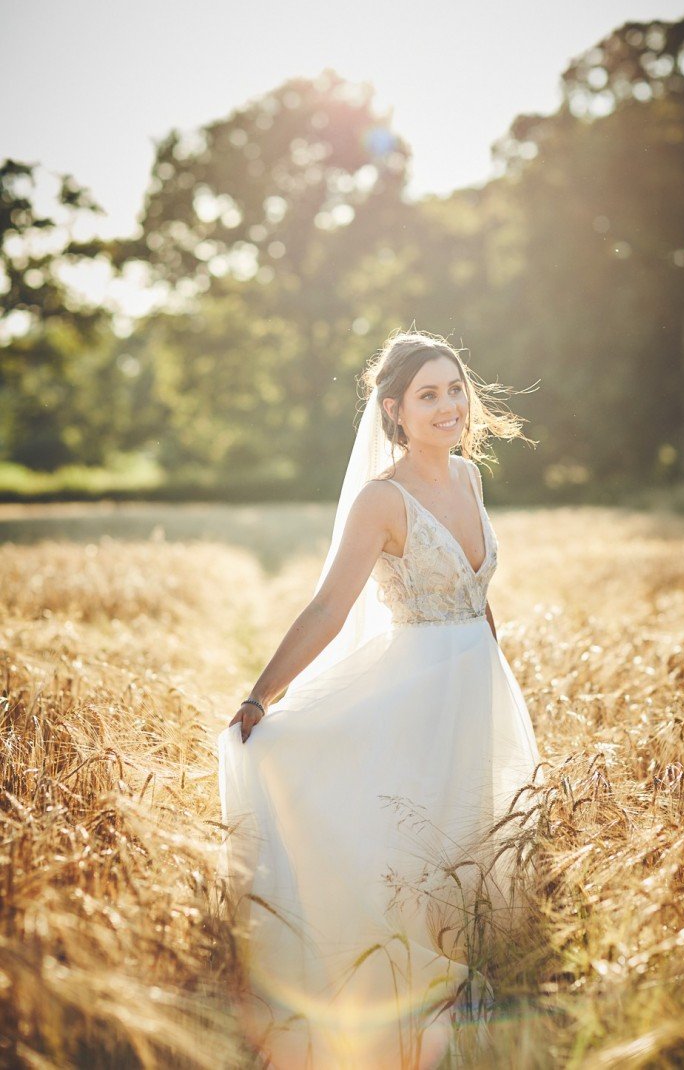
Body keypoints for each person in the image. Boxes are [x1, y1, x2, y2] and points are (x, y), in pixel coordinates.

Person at [217, 327, 543, 1069]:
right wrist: (263, 694)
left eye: (455, 389)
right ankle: (402, 1032)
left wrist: (499, 675)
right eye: (428, 395)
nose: (449, 405)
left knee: (473, 855)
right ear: (394, 410)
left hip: (478, 693)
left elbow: (478, 597)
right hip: (414, 699)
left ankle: (462, 1026)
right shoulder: (380, 500)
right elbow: (329, 608)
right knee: (416, 861)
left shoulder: (470, 478)